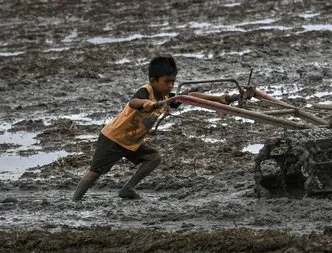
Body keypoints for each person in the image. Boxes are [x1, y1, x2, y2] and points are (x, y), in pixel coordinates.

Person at [72, 55, 244, 201]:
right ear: (153, 81)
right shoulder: (146, 91)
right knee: (95, 172)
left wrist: (218, 99)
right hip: (113, 138)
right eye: (166, 82)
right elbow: (133, 102)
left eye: (173, 82)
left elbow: (188, 97)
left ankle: (127, 189)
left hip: (132, 142)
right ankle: (75, 201)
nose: (170, 86)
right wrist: (146, 103)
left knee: (154, 158)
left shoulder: (166, 96)